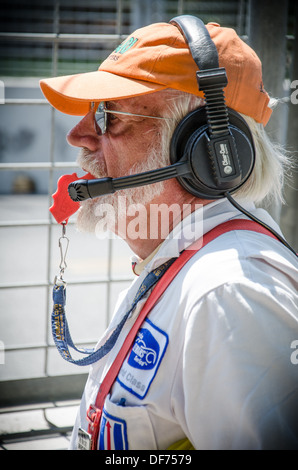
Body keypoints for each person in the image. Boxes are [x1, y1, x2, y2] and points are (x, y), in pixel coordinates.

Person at [40, 16, 298, 450]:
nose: (77, 136)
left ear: (203, 152)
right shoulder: (177, 262)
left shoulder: (230, 293)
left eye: (105, 116)